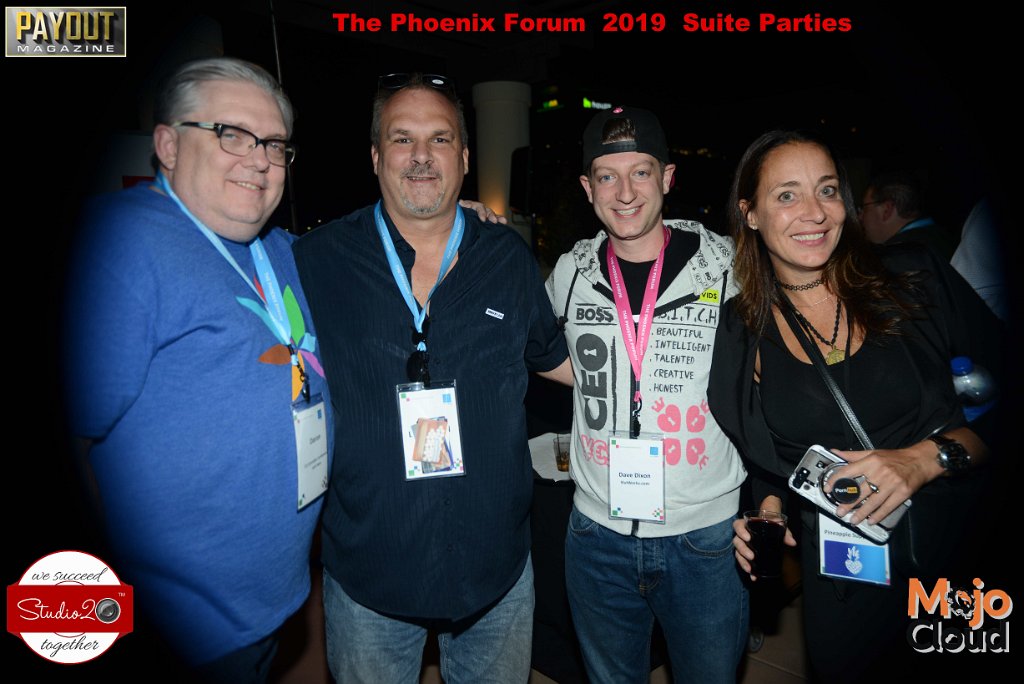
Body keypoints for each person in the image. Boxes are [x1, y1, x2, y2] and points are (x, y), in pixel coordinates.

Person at [293, 72, 572, 683]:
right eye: (403, 139)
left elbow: (564, 362)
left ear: (465, 158)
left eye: (439, 139)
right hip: (369, 576)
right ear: (375, 156)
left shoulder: (507, 259)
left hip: (496, 572)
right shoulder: (314, 263)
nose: (421, 155)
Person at [64, 57, 331, 681]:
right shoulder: (119, 244)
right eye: (231, 134)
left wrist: (456, 218)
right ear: (167, 145)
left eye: (274, 144)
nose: (259, 160)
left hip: (263, 605)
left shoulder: (283, 252)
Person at [708, 131, 1002, 681]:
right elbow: (769, 454)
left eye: (827, 190)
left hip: (952, 555)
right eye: (787, 195)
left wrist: (925, 458)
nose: (815, 212)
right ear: (750, 215)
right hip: (844, 573)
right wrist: (768, 511)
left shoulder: (913, 277)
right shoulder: (740, 329)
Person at [545, 106, 748, 683]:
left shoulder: (729, 269)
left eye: (641, 172)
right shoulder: (570, 273)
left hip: (705, 538)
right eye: (607, 176)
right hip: (596, 535)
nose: (626, 192)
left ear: (668, 177)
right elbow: (540, 351)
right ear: (588, 188)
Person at [859, 171, 957, 259]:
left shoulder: (896, 256)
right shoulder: (948, 239)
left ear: (886, 210)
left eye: (864, 208)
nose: (860, 217)